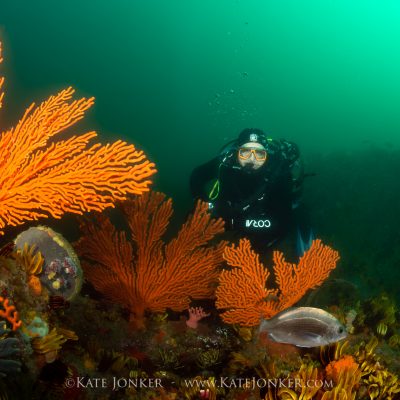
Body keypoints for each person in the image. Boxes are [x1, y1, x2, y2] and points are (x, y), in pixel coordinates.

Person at [190, 128, 310, 255]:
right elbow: (197, 176)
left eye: (259, 154)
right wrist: (201, 202)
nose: (251, 159)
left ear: (267, 154)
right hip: (228, 215)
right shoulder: (226, 164)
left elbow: (283, 223)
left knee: (301, 213)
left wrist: (243, 227)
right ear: (237, 152)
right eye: (245, 152)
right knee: (193, 219)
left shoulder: (278, 173)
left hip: (264, 220)